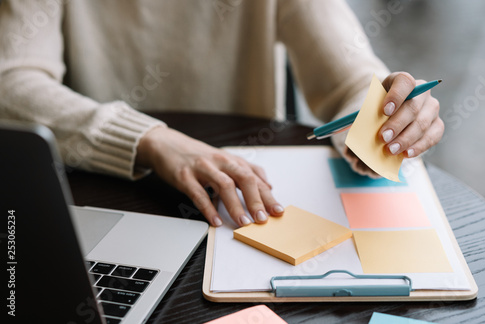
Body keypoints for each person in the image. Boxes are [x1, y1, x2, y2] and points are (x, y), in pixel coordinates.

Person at [0, 0, 443, 228]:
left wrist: (379, 120)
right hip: (99, 189)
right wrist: (150, 140)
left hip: (241, 202)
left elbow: (349, 78)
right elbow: (11, 83)